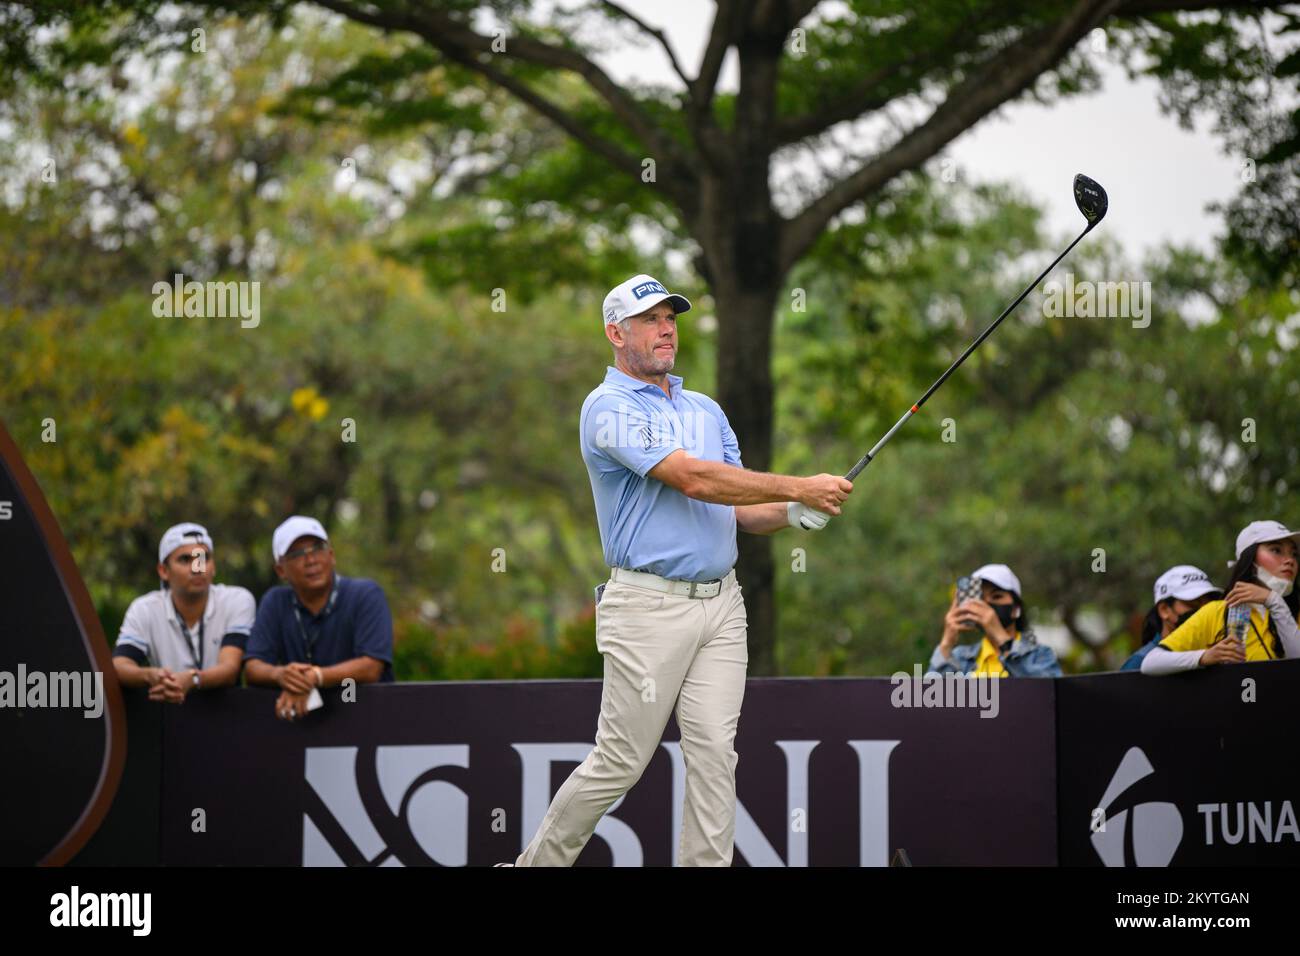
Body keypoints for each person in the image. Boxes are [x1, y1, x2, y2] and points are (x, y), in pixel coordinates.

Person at [506, 273, 851, 868]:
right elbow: (691, 478)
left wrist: (794, 511)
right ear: (616, 333)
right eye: (649, 320)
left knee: (716, 753)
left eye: (671, 318)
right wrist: (800, 483)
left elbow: (740, 507)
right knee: (621, 760)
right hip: (647, 607)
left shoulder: (705, 410)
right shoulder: (605, 408)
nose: (666, 329)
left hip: (721, 605)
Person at [244, 516, 394, 720]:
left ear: (331, 556)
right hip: (303, 725)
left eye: (317, 548)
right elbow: (253, 668)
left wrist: (315, 677)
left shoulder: (365, 594)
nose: (311, 560)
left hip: (364, 713)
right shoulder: (275, 601)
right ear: (281, 570)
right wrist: (282, 676)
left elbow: (370, 667)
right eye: (297, 554)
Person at [112, 522, 254, 702]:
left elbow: (230, 670)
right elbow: (118, 666)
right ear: (163, 571)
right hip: (170, 715)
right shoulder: (145, 608)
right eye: (186, 560)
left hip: (228, 715)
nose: (197, 568)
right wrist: (151, 675)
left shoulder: (237, 600)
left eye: (203, 558)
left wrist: (194, 679)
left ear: (214, 566)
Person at [1142, 520, 1300, 675]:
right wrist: (1204, 656)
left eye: (1294, 554)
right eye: (1276, 550)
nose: (1290, 560)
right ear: (1250, 560)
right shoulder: (1218, 612)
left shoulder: (1293, 613)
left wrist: (1274, 602)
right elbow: (1151, 663)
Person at [928, 563, 1061, 677]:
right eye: (980, 599)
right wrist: (946, 644)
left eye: (996, 596)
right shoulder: (960, 657)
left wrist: (1002, 640)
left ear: (1016, 609)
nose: (986, 605)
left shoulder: (1040, 655)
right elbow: (932, 700)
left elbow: (1046, 693)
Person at [1120, 565, 1222, 671]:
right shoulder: (1139, 663)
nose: (1204, 613)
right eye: (1193, 605)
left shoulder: (1217, 655)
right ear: (1164, 610)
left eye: (1209, 606)